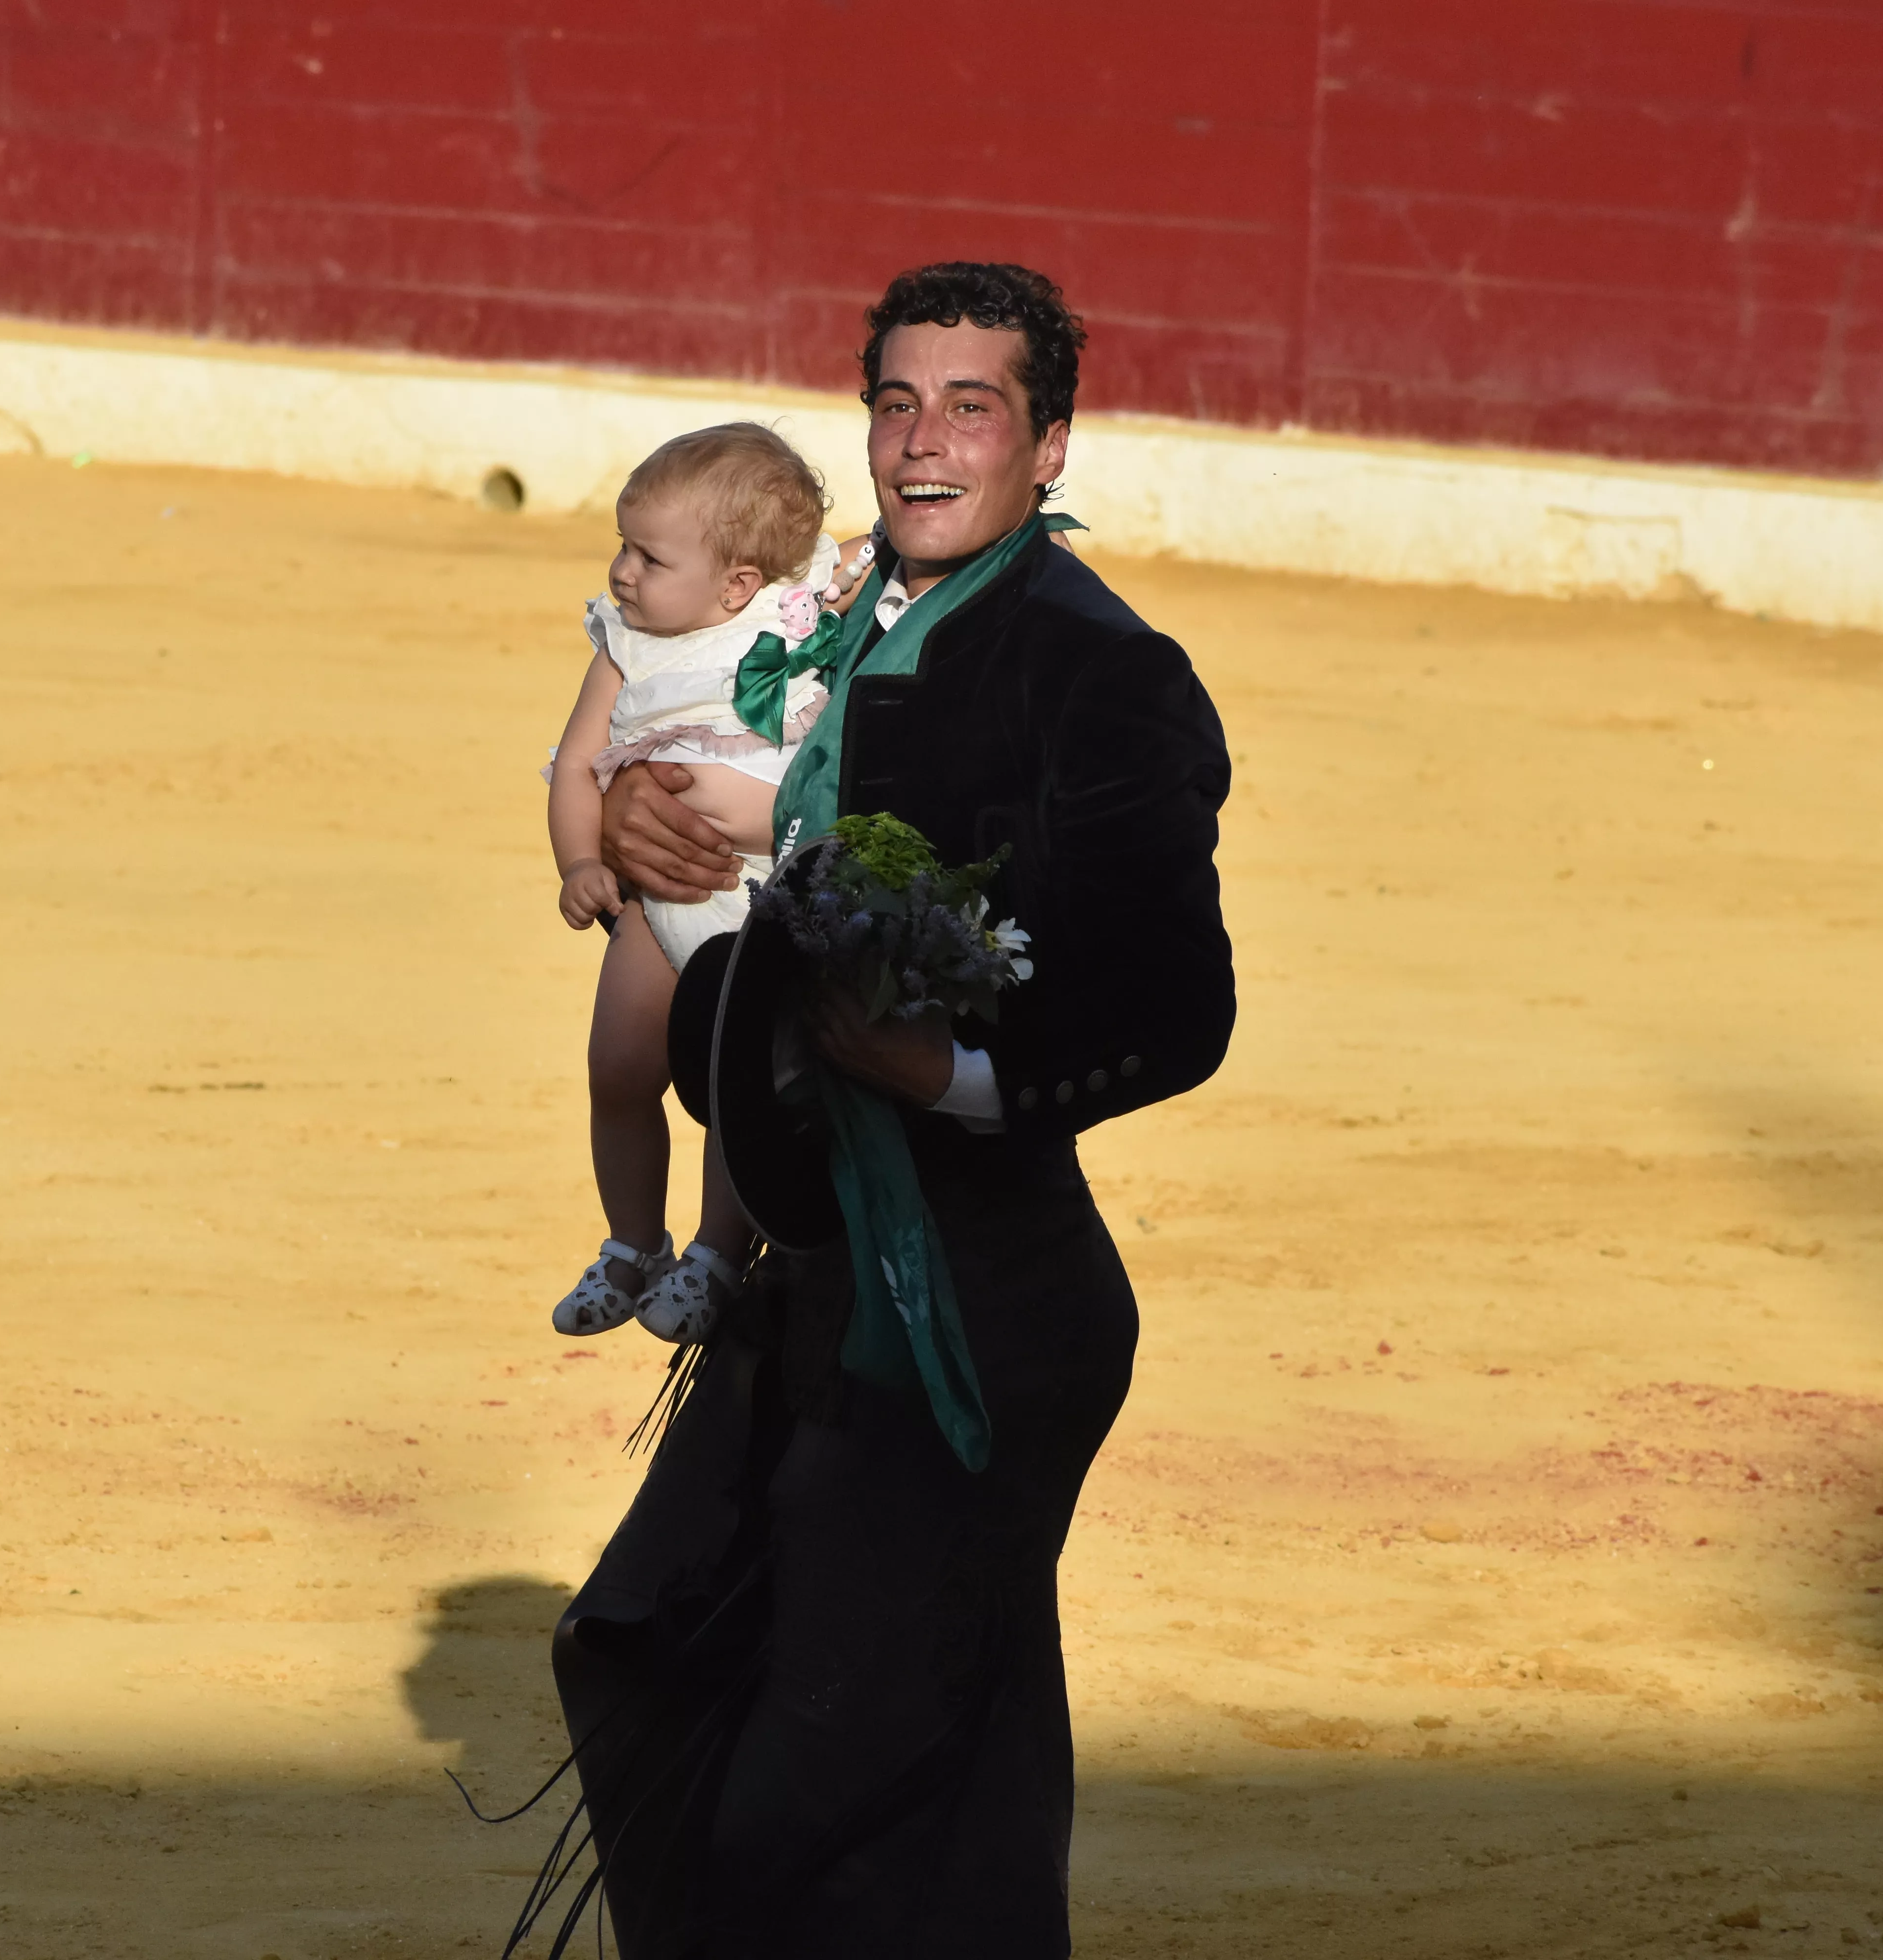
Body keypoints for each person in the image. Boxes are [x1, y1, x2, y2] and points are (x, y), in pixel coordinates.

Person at [543, 263, 1237, 1957]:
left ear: (1049, 446)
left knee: (838, 1795)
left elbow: (1181, 1008)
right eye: (897, 403)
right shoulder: (831, 616)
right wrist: (639, 839)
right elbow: (721, 819)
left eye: (973, 406)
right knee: (649, 1647)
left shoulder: (1098, 668)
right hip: (817, 1276)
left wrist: (955, 1076)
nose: (925, 443)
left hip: (979, 1307)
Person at [542, 424, 850, 1345]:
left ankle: (718, 1253)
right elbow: (574, 765)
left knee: (731, 1088)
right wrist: (582, 861)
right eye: (624, 545)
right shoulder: (627, 643)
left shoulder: (807, 617)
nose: (623, 573)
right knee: (618, 1069)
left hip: (761, 899)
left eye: (649, 555)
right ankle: (632, 1243)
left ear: (739, 586)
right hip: (659, 899)